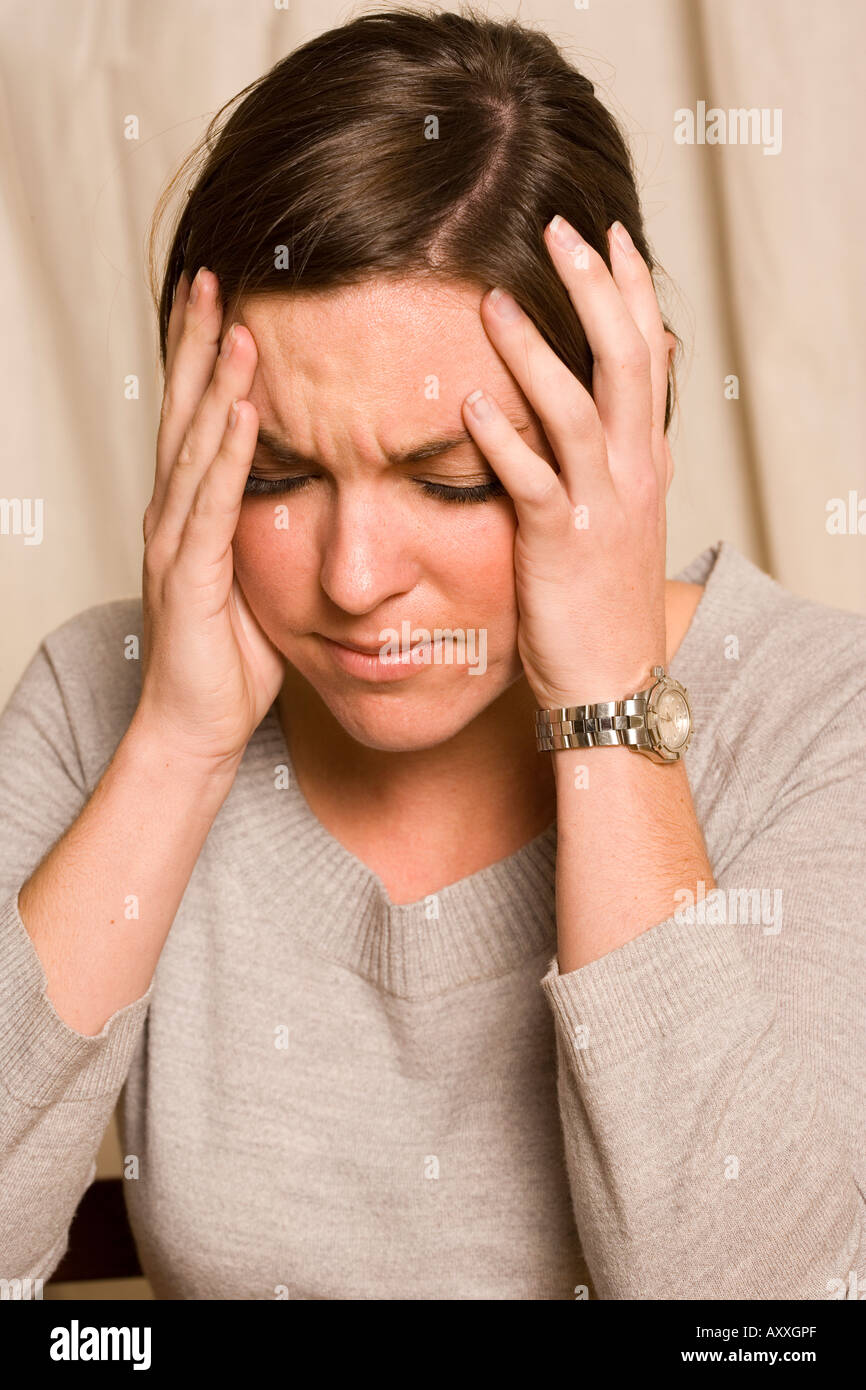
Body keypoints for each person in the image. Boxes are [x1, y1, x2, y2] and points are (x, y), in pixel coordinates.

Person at [1, 7, 863, 1301]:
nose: (353, 578)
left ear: (627, 416)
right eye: (279, 471)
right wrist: (176, 746)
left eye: (452, 482)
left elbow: (755, 1326)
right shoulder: (99, 701)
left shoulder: (814, 721)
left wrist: (604, 703)